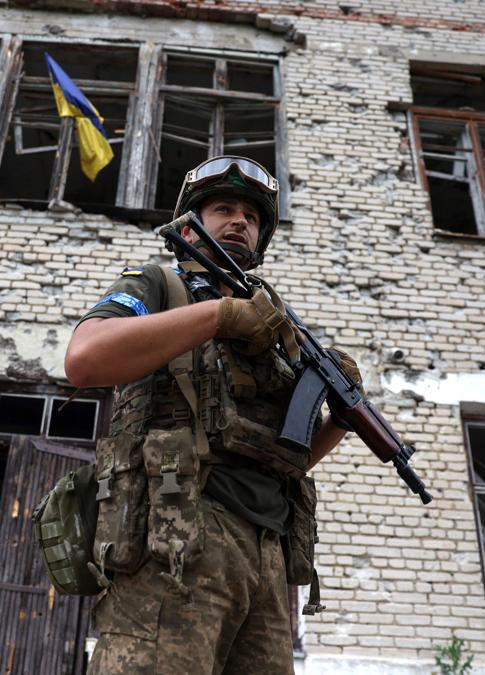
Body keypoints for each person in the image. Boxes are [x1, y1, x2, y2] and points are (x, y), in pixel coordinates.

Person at [65, 156, 360, 674]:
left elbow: (286, 461)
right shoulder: (159, 285)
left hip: (267, 556)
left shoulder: (278, 331)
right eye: (224, 209)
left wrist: (341, 415)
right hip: (180, 536)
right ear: (189, 227)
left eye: (252, 215)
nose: (240, 220)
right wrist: (218, 316)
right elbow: (85, 359)